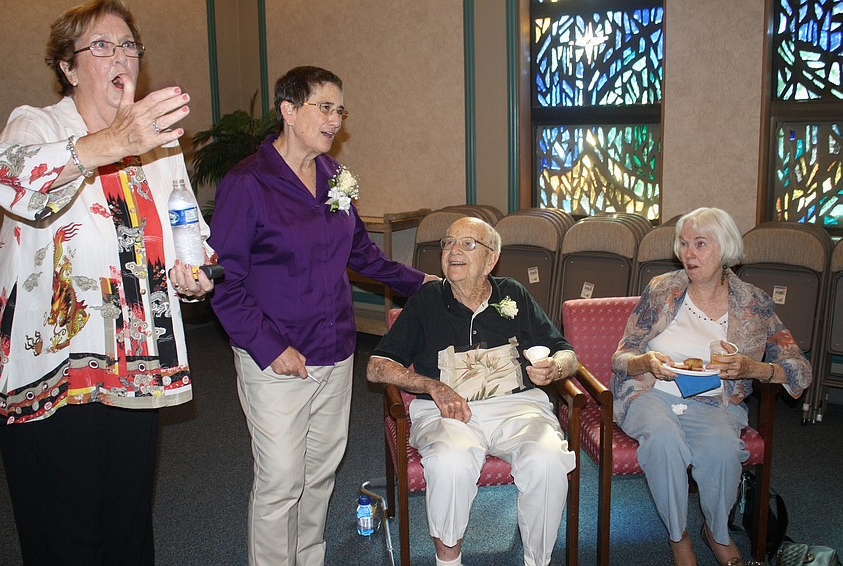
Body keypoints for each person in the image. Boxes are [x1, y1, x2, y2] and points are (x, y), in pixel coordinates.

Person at [0, 1, 216, 564]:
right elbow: (10, 180)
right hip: (54, 366)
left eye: (128, 46)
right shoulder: (38, 124)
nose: (121, 56)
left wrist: (196, 272)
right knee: (66, 530)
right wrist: (112, 141)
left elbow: (188, 226)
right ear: (68, 67)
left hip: (137, 362)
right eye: (102, 46)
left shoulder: (159, 145)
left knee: (127, 524)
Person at [208, 65, 434, 565]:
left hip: (336, 351)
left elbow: (362, 256)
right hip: (278, 358)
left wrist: (422, 284)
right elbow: (224, 284)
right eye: (324, 107)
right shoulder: (248, 184)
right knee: (281, 479)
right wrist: (271, 349)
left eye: (340, 109)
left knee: (319, 473)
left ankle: (308, 558)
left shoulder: (335, 178)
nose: (335, 120)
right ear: (288, 110)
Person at [366, 216, 578, 566]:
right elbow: (376, 366)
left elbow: (565, 351)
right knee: (450, 461)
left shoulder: (513, 293)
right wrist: (432, 385)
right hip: (446, 412)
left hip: (517, 408)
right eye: (448, 243)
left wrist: (555, 367)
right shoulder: (427, 299)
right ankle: (448, 561)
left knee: (547, 459)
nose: (453, 251)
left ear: (491, 258)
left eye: (467, 244)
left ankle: (537, 561)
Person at [611, 207, 812, 566]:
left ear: (725, 248)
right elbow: (622, 355)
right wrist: (646, 362)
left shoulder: (753, 303)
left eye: (700, 244)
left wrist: (754, 368)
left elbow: (798, 368)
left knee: (721, 451)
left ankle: (717, 533)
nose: (689, 253)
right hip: (651, 394)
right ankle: (679, 536)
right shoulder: (662, 290)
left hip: (716, 403)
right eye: (684, 244)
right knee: (664, 441)